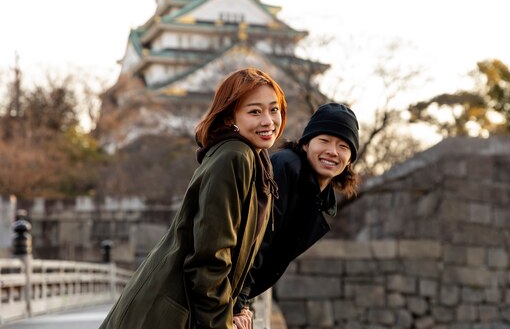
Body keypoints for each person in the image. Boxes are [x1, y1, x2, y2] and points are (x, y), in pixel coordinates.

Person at [99, 68, 287, 329]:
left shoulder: (251, 157)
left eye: (274, 109)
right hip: (169, 313)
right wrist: (221, 323)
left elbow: (242, 252)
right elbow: (211, 255)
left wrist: (239, 305)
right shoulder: (235, 156)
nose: (268, 121)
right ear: (230, 115)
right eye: (254, 111)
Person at [233, 102, 359, 329]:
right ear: (305, 143)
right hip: (216, 287)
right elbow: (256, 239)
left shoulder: (316, 194)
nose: (332, 151)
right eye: (324, 141)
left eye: (343, 146)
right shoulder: (285, 168)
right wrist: (239, 302)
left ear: (349, 159)